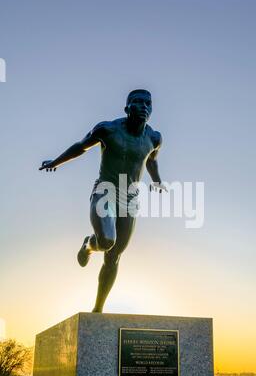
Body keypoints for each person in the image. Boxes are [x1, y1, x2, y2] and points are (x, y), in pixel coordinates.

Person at [39, 89, 167, 312]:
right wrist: (56, 162)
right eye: (137, 102)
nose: (144, 106)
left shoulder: (154, 137)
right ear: (127, 108)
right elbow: (81, 147)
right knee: (107, 241)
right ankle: (89, 245)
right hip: (105, 191)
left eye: (148, 103)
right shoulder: (107, 129)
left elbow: (151, 160)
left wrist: (157, 181)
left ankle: (98, 309)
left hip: (130, 199)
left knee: (114, 256)